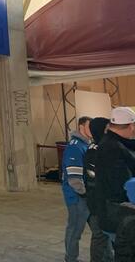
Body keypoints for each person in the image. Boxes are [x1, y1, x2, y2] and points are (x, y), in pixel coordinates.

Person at [95, 107, 135, 261]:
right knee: (125, 253)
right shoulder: (112, 149)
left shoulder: (111, 142)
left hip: (114, 213)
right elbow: (122, 187)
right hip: (118, 215)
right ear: (131, 126)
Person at [62, 116, 93, 262]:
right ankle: (71, 258)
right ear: (81, 127)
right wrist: (85, 193)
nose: (92, 130)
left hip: (85, 196)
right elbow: (74, 179)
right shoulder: (75, 147)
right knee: (75, 230)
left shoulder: (85, 145)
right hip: (77, 197)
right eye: (89, 126)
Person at [83, 117, 114, 262]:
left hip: (106, 202)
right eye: (107, 128)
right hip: (97, 203)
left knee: (106, 237)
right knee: (100, 237)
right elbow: (94, 180)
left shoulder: (106, 147)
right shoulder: (94, 151)